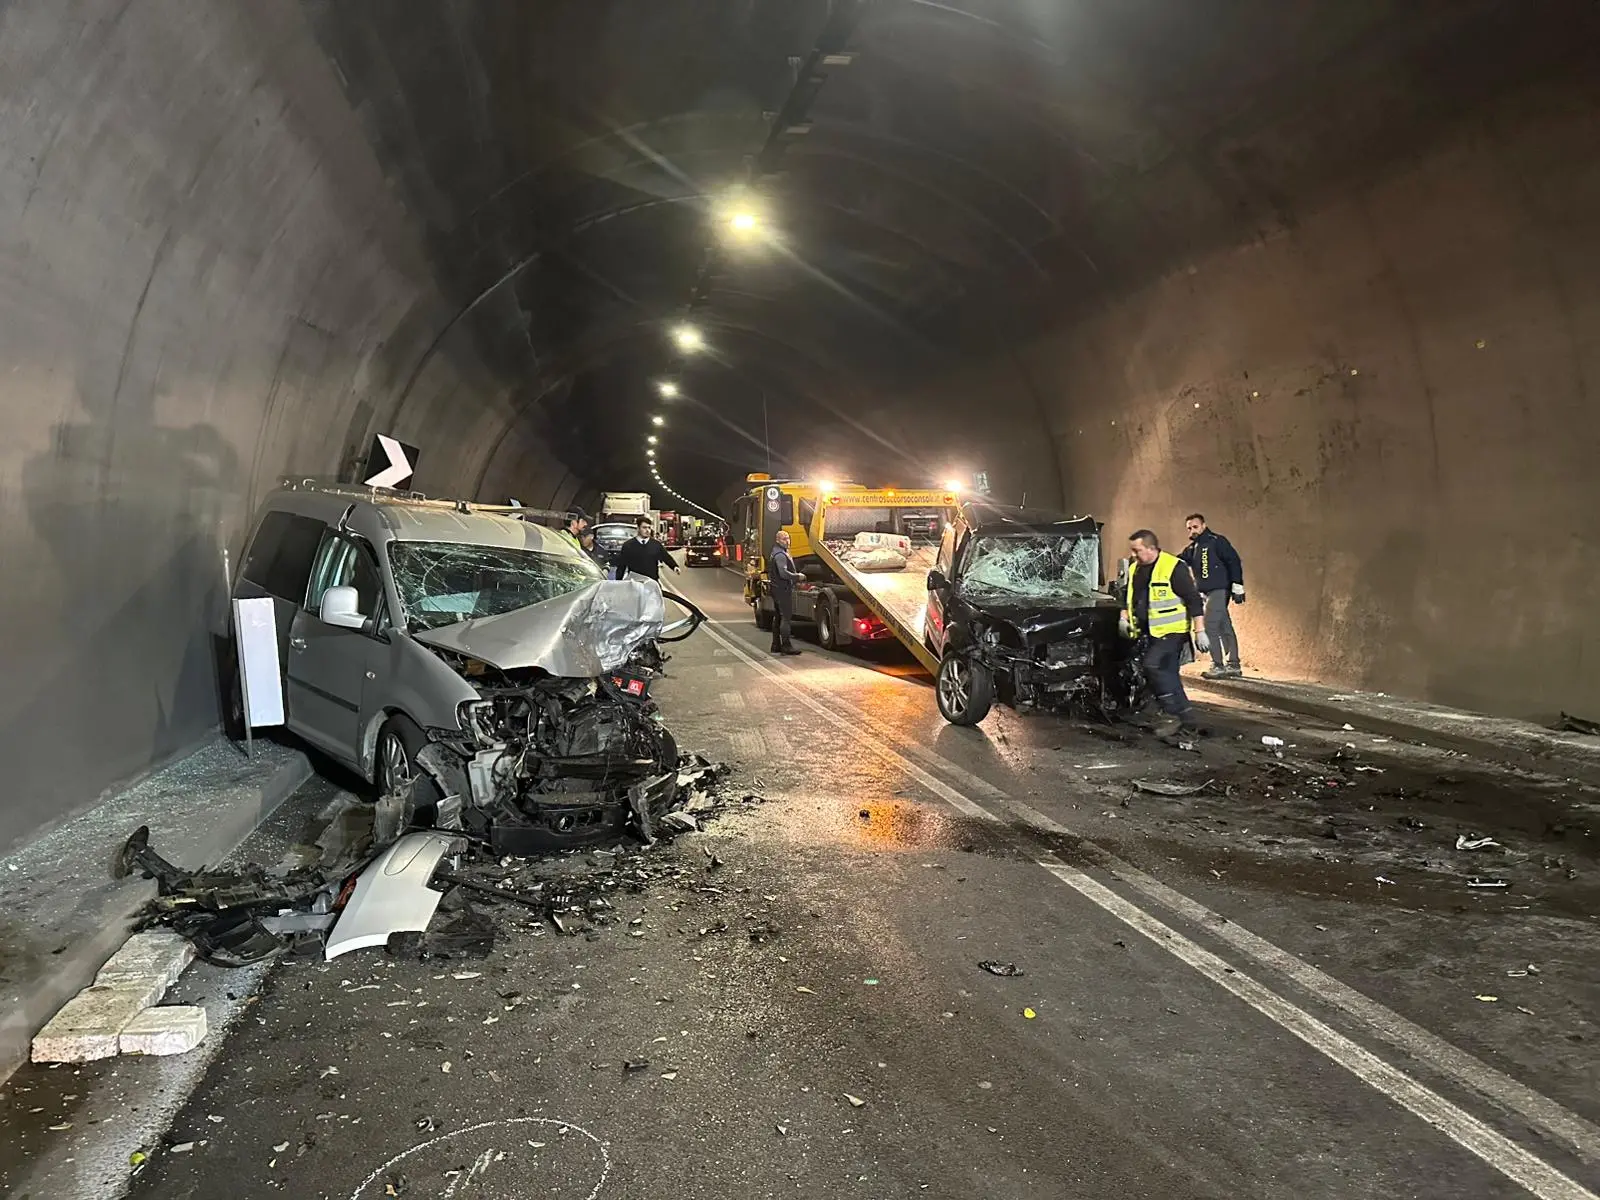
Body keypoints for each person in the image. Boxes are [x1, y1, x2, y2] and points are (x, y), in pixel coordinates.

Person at [1121, 529, 1209, 739]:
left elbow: (1193, 599)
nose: (1133, 555)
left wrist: (1200, 631)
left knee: (1152, 665)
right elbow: (1127, 596)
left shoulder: (1173, 567)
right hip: (1150, 632)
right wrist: (1124, 617)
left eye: (1137, 550)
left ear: (1152, 549)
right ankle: (1188, 720)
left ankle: (1171, 715)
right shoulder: (1135, 569)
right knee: (1169, 675)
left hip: (1172, 632)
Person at [1179, 513, 1245, 678]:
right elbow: (1178, 561)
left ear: (1203, 525)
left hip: (1220, 590)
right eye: (1189, 528)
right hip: (1207, 593)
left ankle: (1218, 665)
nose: (1192, 531)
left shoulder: (1217, 541)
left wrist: (1238, 585)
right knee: (1224, 627)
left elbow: (1234, 561)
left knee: (1209, 626)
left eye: (1195, 527)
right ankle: (1233, 664)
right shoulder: (1192, 548)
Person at [767, 529, 801, 656]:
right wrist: (797, 576)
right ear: (777, 540)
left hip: (776, 589)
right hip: (782, 590)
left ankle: (776, 644)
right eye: (784, 539)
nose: (787, 541)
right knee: (785, 617)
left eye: (788, 538)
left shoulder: (777, 552)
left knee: (778, 616)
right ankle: (786, 645)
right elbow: (783, 573)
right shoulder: (780, 555)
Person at [612, 517, 680, 582]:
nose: (647, 530)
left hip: (652, 582)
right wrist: (618, 581)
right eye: (644, 527)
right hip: (635, 582)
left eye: (649, 528)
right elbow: (622, 565)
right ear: (638, 528)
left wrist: (674, 566)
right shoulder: (628, 545)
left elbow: (666, 557)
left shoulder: (656, 545)